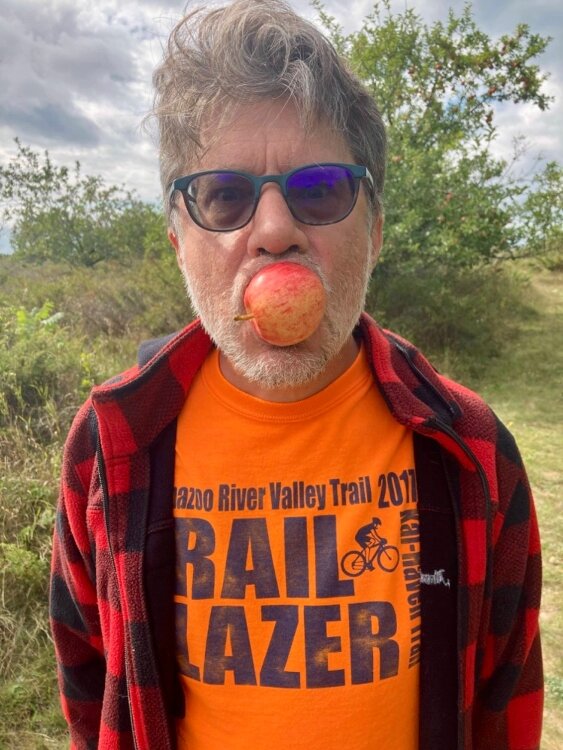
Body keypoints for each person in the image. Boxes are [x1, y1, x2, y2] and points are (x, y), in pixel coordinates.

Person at [49, 1, 543, 749]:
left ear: (373, 231)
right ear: (180, 241)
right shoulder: (109, 445)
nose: (275, 231)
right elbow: (90, 689)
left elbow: (505, 709)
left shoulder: (471, 451)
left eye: (319, 190)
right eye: (224, 195)